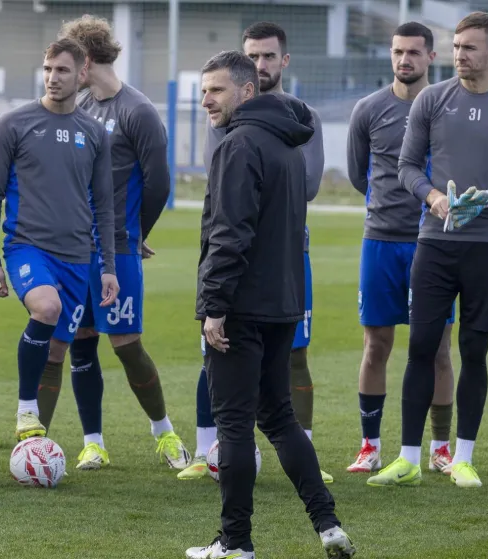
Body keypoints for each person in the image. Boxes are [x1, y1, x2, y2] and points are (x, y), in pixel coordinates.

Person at [368, 11, 488, 489]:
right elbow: (407, 166)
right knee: (421, 347)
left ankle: (462, 457)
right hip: (435, 242)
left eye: (469, 48)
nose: (459, 55)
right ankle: (407, 458)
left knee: (474, 348)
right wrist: (433, 197)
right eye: (455, 47)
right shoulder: (432, 99)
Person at [186, 49, 354, 559]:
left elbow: (229, 234)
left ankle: (235, 543)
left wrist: (214, 305)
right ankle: (328, 525)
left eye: (216, 90)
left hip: (239, 307)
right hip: (282, 304)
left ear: (246, 90)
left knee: (234, 424)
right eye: (203, 91)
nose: (206, 100)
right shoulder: (287, 145)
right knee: (279, 418)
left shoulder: (239, 145)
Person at [36, 14, 189, 471]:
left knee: (126, 343)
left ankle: (163, 432)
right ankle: (92, 442)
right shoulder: (79, 107)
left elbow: (160, 184)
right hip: (71, 250)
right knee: (75, 342)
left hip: (117, 248)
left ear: (85, 63)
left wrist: (138, 232)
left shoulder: (136, 110)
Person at [180, 21, 331, 483]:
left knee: (287, 361)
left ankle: (290, 458)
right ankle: (209, 450)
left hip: (276, 251)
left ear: (282, 62)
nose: (262, 64)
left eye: (268, 57)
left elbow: (304, 187)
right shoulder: (223, 119)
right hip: (237, 253)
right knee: (219, 361)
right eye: (254, 56)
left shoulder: (300, 118)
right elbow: (217, 184)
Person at [0, 38, 118, 444]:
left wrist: (107, 267)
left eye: (61, 70)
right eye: (47, 69)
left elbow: (104, 206)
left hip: (77, 257)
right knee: (46, 307)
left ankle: (34, 446)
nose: (52, 78)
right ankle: (25, 410)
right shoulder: (14, 124)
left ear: (82, 73)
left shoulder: (93, 134)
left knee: (56, 353)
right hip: (28, 247)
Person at [346, 22, 456, 475]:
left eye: (413, 52)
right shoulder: (369, 109)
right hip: (381, 242)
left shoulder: (450, 107)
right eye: (397, 52)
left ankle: (440, 447)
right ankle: (370, 444)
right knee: (377, 344)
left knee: (438, 350)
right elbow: (359, 175)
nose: (403, 60)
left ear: (431, 56)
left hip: (435, 243)